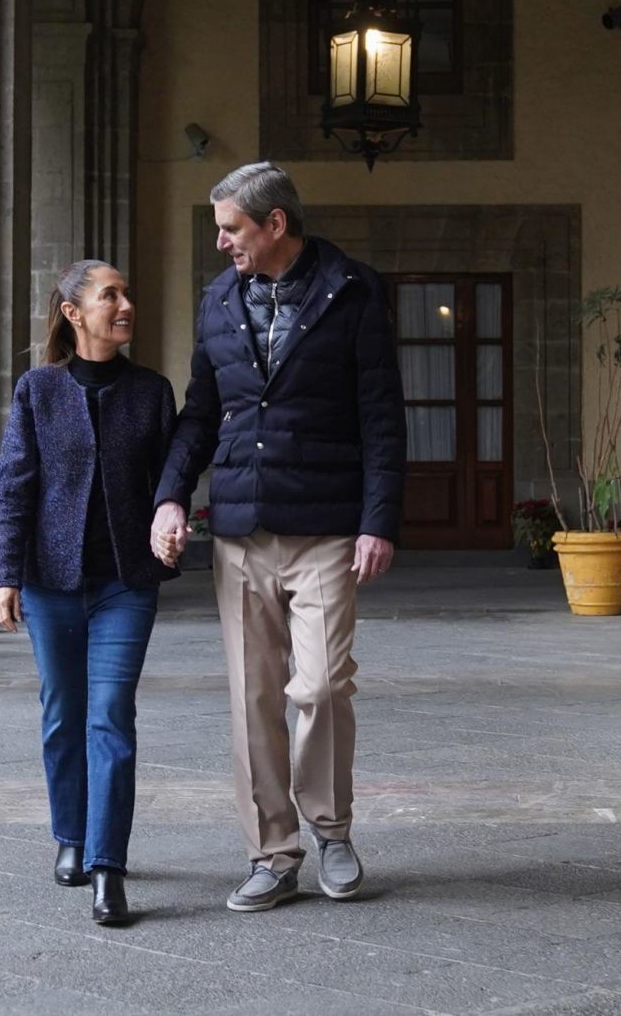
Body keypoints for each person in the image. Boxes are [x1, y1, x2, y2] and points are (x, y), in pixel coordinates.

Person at [148, 161, 404, 913]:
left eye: (231, 227)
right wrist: (170, 498)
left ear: (275, 224)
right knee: (253, 696)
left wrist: (377, 520)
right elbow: (200, 412)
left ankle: (331, 831)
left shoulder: (354, 290)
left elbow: (381, 414)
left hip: (325, 524)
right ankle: (272, 851)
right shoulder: (219, 299)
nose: (221, 240)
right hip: (239, 527)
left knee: (322, 685)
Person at [0, 260, 179, 927]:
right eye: (111, 295)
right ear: (74, 313)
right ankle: (69, 835)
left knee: (111, 716)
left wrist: (172, 518)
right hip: (51, 583)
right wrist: (4, 574)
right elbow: (14, 485)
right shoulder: (37, 390)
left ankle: (107, 867)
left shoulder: (153, 393)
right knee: (63, 715)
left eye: (127, 292)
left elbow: (168, 481)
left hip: (126, 584)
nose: (126, 304)